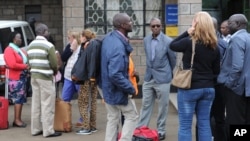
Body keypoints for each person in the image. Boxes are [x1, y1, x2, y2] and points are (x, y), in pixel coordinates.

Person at [170, 11, 220, 141]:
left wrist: (187, 32)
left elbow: (172, 45)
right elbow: (216, 70)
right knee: (204, 124)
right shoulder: (215, 45)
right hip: (208, 89)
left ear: (196, 24)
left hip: (190, 88)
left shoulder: (188, 42)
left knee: (185, 125)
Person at [101, 13, 138, 141]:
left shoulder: (109, 38)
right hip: (116, 89)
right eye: (129, 21)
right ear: (122, 25)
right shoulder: (118, 46)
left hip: (107, 88)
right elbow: (115, 74)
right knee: (132, 115)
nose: (132, 23)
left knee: (112, 117)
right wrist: (131, 88)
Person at [137, 17, 176, 140]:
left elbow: (173, 60)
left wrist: (167, 72)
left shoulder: (168, 41)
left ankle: (161, 130)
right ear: (150, 27)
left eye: (158, 26)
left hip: (163, 78)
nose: (155, 28)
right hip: (149, 77)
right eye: (153, 26)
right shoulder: (146, 40)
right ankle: (141, 129)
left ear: (161, 26)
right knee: (145, 104)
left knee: (163, 106)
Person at [217, 14, 250, 140]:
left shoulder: (237, 39)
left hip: (237, 88)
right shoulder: (248, 37)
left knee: (235, 122)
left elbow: (237, 67)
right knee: (245, 121)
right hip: (246, 88)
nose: (227, 25)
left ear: (238, 24)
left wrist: (229, 84)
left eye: (230, 23)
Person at [27, 23, 62, 137]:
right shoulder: (48, 45)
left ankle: (35, 129)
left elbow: (29, 62)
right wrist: (55, 71)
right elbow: (53, 63)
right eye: (47, 31)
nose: (48, 33)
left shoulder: (30, 45)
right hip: (45, 77)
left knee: (36, 104)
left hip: (34, 77)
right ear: (44, 32)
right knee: (47, 104)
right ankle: (48, 131)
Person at [3, 31, 29, 128]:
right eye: (19, 38)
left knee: (21, 99)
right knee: (18, 99)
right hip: (15, 79)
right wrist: (25, 66)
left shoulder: (18, 49)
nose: (21, 39)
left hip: (21, 77)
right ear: (14, 39)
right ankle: (17, 120)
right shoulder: (9, 50)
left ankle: (18, 118)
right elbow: (12, 64)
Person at [76, 29, 99, 135]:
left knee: (82, 102)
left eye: (81, 36)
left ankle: (86, 127)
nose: (80, 38)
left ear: (84, 37)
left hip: (85, 77)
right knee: (93, 101)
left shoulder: (86, 46)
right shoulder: (96, 45)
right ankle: (93, 126)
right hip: (94, 77)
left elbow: (82, 62)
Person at [209, 17, 228, 141]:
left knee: (214, 117)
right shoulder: (223, 43)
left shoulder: (220, 44)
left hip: (215, 84)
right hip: (215, 84)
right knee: (217, 117)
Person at [61, 30, 83, 126]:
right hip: (68, 76)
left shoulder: (82, 48)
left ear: (75, 38)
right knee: (65, 98)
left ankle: (83, 118)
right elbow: (63, 58)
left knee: (82, 99)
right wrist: (71, 49)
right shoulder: (69, 47)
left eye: (69, 37)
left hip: (79, 77)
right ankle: (65, 119)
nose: (68, 39)